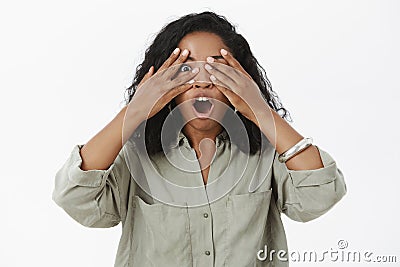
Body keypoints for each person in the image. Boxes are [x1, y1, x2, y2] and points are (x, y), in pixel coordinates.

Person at [52, 11, 347, 267]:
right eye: (185, 68)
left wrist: (260, 109)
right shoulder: (134, 153)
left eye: (216, 68)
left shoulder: (268, 153)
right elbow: (76, 199)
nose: (203, 81)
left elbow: (320, 197)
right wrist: (134, 112)